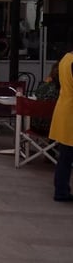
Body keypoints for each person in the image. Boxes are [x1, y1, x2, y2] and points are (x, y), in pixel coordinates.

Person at [49, 28, 73, 202]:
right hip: (71, 112)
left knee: (65, 154)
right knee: (66, 155)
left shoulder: (65, 59)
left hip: (64, 108)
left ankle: (61, 188)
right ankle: (61, 190)